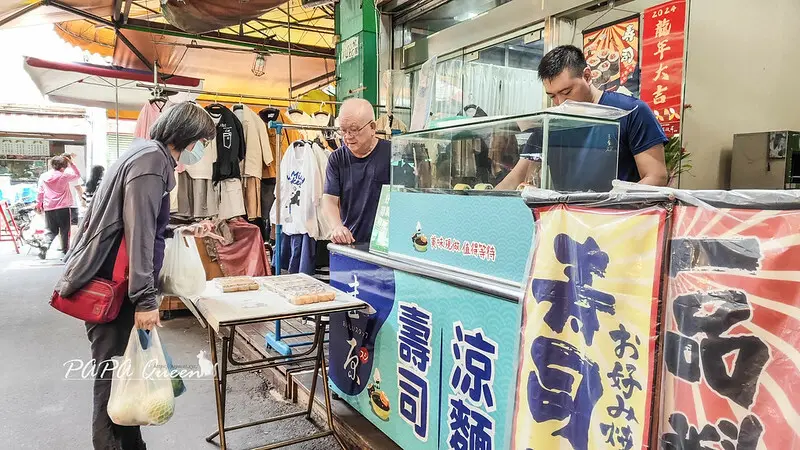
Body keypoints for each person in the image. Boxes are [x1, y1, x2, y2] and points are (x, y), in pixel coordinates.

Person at [53, 102, 215, 450]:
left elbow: (142, 222)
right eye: (203, 142)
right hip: (114, 288)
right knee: (112, 377)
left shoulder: (143, 153)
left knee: (124, 373)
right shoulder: (152, 162)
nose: (202, 151)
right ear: (188, 138)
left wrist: (182, 229)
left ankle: (130, 443)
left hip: (114, 283)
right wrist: (145, 299)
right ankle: (111, 444)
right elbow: (139, 232)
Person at [497, 45, 668, 190]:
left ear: (587, 76)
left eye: (566, 92)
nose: (560, 102)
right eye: (552, 96)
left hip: (617, 220)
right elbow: (514, 179)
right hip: (566, 221)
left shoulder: (632, 111)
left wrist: (610, 206)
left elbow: (656, 177)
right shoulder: (551, 123)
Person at [323, 98, 391, 245]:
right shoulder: (337, 158)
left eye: (354, 130)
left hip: (387, 244)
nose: (347, 137)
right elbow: (329, 200)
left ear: (372, 127)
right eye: (343, 130)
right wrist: (337, 227)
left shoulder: (393, 154)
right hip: (350, 242)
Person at [36, 154, 81, 259]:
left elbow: (40, 192)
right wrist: (72, 163)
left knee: (51, 230)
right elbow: (78, 175)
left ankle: (45, 245)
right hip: (63, 207)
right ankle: (65, 252)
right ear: (63, 167)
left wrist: (39, 204)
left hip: (49, 207)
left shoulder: (44, 176)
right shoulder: (64, 176)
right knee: (65, 230)